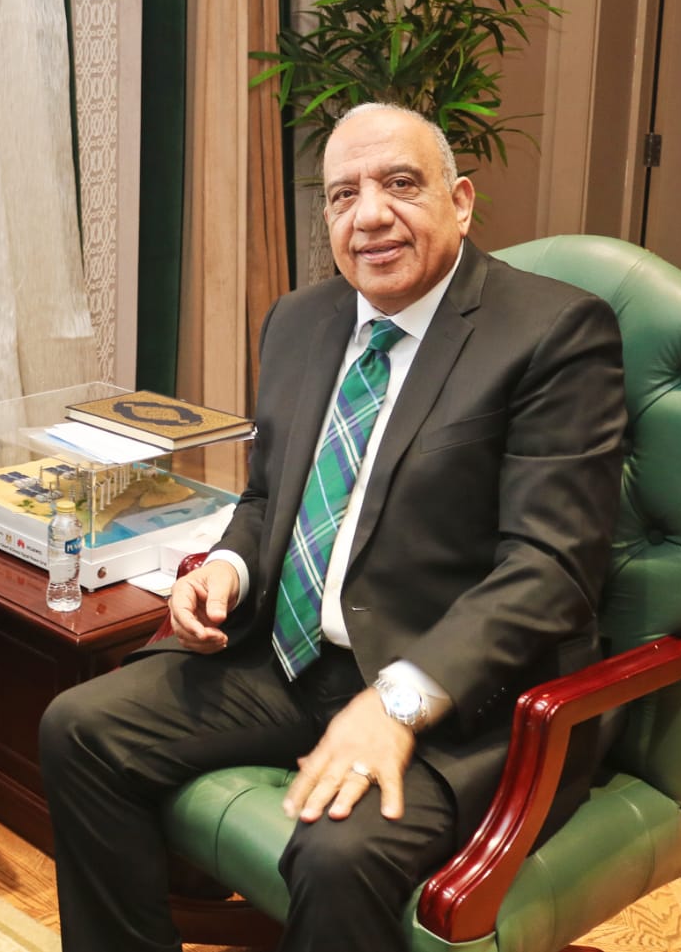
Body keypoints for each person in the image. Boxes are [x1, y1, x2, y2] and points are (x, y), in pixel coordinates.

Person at [38, 102, 628, 951]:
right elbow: (267, 498)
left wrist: (395, 702)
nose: (370, 215)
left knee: (336, 855)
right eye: (344, 194)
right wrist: (231, 568)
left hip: (463, 700)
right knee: (79, 728)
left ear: (461, 201)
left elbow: (550, 571)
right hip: (292, 660)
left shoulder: (554, 332)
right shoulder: (300, 319)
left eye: (400, 183)